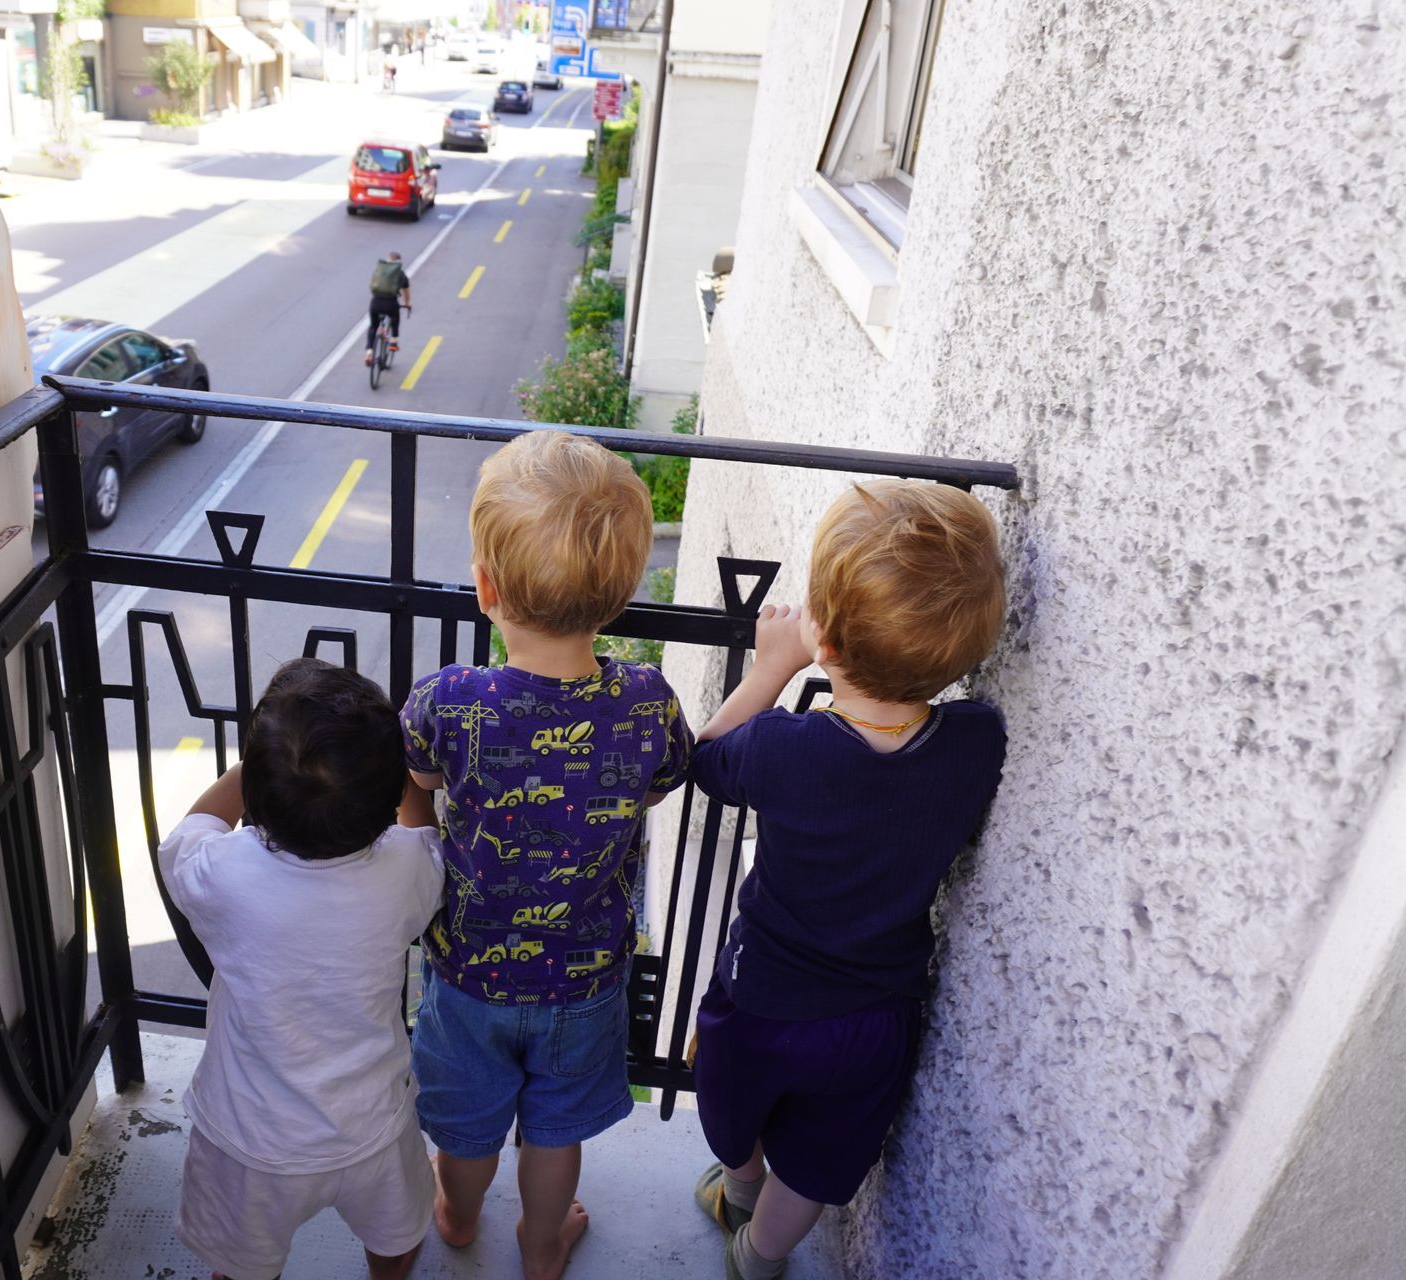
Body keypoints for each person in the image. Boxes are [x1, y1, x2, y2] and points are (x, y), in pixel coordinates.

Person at [685, 480, 1008, 1280]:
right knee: (820, 1161)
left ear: (824, 642)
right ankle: (759, 1258)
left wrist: (771, 666)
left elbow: (706, 759)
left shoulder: (782, 750)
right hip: (876, 1016)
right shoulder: (975, 744)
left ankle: (739, 1188)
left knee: (726, 1100)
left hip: (762, 997)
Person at [401, 430, 694, 1280]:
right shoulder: (643, 701)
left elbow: (416, 776)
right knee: (556, 1130)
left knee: (465, 1126)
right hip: (585, 976)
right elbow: (660, 782)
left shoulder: (451, 700)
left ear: (486, 588)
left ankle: (457, 1215)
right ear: (621, 594)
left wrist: (427, 832)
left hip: (468, 968)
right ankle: (540, 1243)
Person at [159, 658, 446, 1280]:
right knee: (395, 1231)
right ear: (387, 789)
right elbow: (426, 838)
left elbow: (188, 833)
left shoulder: (224, 873)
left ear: (260, 791)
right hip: (370, 1123)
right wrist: (400, 778)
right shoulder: (404, 871)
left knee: (241, 1261)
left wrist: (257, 767)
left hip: (249, 1137)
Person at [366, 250, 412, 365]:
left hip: (375, 303)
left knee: (373, 326)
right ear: (398, 263)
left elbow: (372, 284)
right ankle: (393, 342)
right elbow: (406, 292)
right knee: (395, 318)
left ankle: (369, 352)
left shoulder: (379, 270)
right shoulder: (400, 274)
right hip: (391, 304)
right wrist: (407, 304)